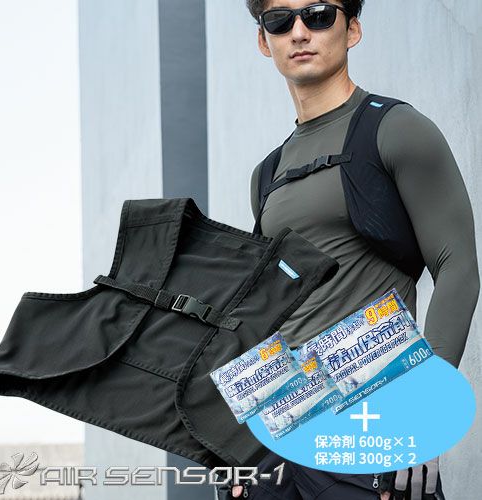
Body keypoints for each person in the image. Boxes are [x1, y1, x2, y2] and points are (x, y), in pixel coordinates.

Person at [226, 0, 480, 498]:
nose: (300, 31)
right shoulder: (267, 174)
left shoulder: (395, 129)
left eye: (319, 14)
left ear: (353, 29)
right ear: (264, 41)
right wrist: (238, 442)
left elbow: (457, 267)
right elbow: (266, 313)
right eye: (280, 20)